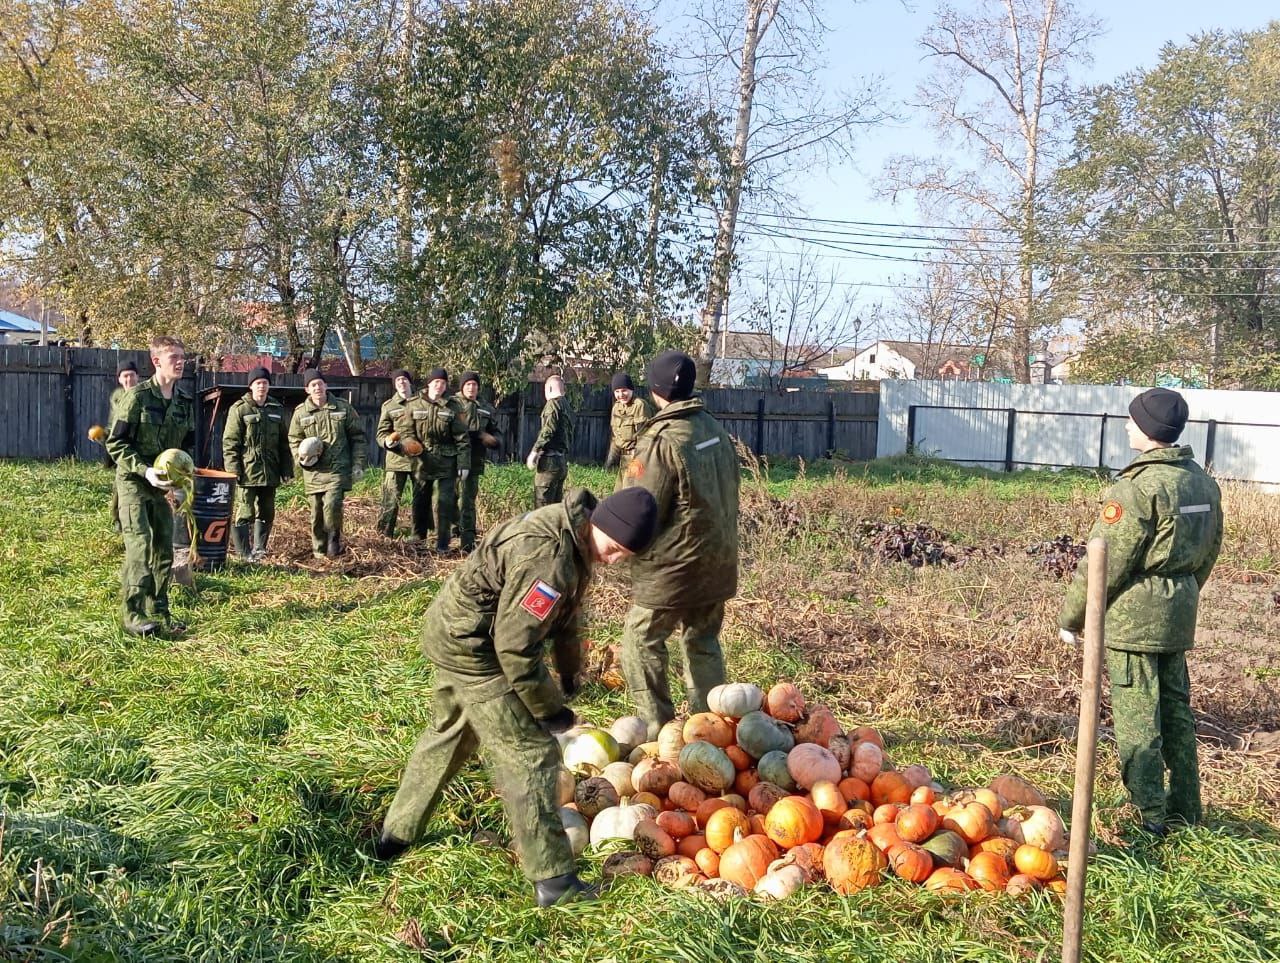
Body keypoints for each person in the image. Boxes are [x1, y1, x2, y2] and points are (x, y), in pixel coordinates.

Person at [374, 486, 659, 907]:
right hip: (474, 648)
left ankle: (395, 836)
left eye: (625, 556)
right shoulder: (549, 558)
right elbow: (515, 648)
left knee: (451, 733)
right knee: (532, 756)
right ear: (601, 524)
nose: (614, 560)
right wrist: (551, 711)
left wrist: (569, 673)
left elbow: (565, 617)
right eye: (615, 549)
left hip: (454, 631)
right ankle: (555, 881)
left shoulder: (574, 532)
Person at [1059, 387, 1222, 837]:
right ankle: (1187, 809)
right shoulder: (1201, 482)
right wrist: (1180, 592)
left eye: (1132, 421)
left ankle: (1150, 817)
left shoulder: (1137, 488)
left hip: (1134, 623)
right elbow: (1209, 551)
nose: (1128, 427)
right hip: (1179, 614)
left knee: (1137, 718)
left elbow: (1103, 560)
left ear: (1148, 430)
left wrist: (1072, 618)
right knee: (1177, 713)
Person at [618, 350, 740, 739]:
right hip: (717, 559)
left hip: (673, 567)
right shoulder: (715, 431)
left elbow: (638, 505)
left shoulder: (659, 440)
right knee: (702, 639)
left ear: (654, 390)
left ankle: (658, 731)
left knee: (640, 639)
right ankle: (710, 729)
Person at [105, 336, 194, 637]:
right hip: (133, 481)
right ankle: (133, 614)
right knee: (140, 544)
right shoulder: (138, 397)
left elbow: (186, 447)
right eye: (174, 357)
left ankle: (159, 610)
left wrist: (182, 475)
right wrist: (145, 471)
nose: (181, 362)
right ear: (157, 362)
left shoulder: (184, 403)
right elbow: (115, 443)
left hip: (162, 487)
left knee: (164, 548)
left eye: (183, 357)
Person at [288, 370, 367, 559]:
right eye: (313, 385)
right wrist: (301, 458)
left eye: (320, 384)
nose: (317, 388)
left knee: (332, 505)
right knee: (316, 512)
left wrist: (358, 464)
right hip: (313, 470)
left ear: (326, 386)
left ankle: (334, 541)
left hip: (337, 468)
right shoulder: (301, 413)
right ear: (307, 389)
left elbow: (358, 437)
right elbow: (293, 439)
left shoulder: (342, 408)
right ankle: (319, 551)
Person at [222, 366, 292, 561]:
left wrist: (286, 469)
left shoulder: (276, 409)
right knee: (245, 511)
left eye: (265, 383)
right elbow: (230, 442)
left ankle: (260, 550)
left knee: (267, 510)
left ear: (269, 386)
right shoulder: (240, 409)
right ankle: (244, 553)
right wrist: (233, 470)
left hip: (271, 470)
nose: (262, 386)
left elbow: (284, 443)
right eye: (258, 383)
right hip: (248, 471)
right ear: (251, 386)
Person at [416, 368, 469, 553]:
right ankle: (419, 540)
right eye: (436, 382)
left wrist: (463, 464)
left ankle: (442, 543)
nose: (440, 386)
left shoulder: (453, 406)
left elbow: (462, 437)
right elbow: (406, 430)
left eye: (443, 383)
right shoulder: (415, 403)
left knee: (444, 502)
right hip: (422, 461)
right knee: (420, 501)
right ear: (429, 384)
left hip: (447, 461)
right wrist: (408, 444)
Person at [376, 369, 432, 541]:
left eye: (404, 379)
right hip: (396, 460)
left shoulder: (423, 403)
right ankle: (383, 537)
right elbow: (381, 434)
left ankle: (418, 537)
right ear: (395, 384)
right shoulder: (389, 406)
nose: (401, 382)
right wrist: (387, 442)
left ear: (409, 382)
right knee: (390, 499)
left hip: (420, 460)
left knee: (421, 500)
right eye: (398, 380)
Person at [452, 370, 501, 551]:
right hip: (453, 459)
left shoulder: (485, 407)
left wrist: (493, 440)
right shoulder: (452, 404)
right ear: (462, 387)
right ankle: (447, 536)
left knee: (468, 501)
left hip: (474, 461)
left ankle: (468, 543)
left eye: (474, 385)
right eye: (468, 385)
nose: (471, 388)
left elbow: (495, 433)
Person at [526, 375, 573, 508]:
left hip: (550, 462)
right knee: (555, 508)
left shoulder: (552, 405)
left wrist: (535, 451)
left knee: (542, 507)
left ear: (550, 388)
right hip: (562, 462)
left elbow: (548, 431)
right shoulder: (566, 406)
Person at [107, 359, 141, 533]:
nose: (129, 380)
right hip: (123, 448)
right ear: (119, 379)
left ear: (138, 377)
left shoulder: (144, 396)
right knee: (119, 487)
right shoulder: (117, 398)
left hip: (141, 447)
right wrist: (103, 436)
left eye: (131, 375)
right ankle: (117, 521)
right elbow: (114, 426)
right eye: (125, 376)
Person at [604, 371, 654, 472]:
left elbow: (644, 437)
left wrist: (637, 458)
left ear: (631, 390)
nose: (621, 394)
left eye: (624, 390)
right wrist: (610, 461)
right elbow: (615, 436)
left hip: (637, 457)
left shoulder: (639, 405)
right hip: (623, 458)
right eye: (617, 391)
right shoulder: (616, 407)